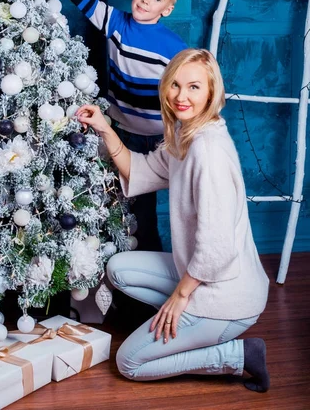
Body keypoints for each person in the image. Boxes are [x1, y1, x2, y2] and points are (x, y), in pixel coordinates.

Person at [75, 48, 270, 392]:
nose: (181, 96)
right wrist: (105, 128)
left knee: (129, 363)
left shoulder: (208, 151)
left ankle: (239, 354)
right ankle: (182, 329)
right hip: (202, 277)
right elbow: (142, 170)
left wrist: (180, 297)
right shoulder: (186, 134)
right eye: (175, 85)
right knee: (119, 267)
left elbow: (217, 247)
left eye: (194, 87)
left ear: (212, 92)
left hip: (227, 296)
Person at [34, 0, 187, 252]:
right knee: (111, 207)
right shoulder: (115, 22)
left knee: (142, 214)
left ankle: (148, 277)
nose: (147, 1)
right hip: (117, 130)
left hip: (156, 141)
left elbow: (188, 94)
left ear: (167, 9)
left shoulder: (174, 49)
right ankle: (115, 275)